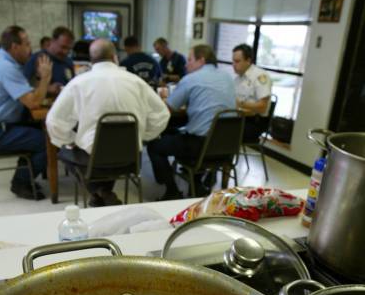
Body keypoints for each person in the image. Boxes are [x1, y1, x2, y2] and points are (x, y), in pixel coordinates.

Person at [46, 39, 170, 207]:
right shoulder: (136, 82)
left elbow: (53, 122)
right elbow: (162, 114)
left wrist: (72, 140)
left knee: (65, 151)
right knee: (107, 157)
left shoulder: (78, 83)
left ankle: (99, 192)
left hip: (93, 160)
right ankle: (103, 193)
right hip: (131, 158)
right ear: (115, 57)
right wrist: (143, 137)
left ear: (91, 60)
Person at [147, 44, 236, 201]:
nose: (186, 64)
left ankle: (172, 191)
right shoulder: (228, 77)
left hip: (199, 145)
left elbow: (168, 107)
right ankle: (198, 184)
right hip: (227, 146)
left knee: (154, 146)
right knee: (182, 132)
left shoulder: (191, 79)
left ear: (201, 60)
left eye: (190, 60)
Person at [0, 25, 52, 200]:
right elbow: (33, 103)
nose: (30, 49)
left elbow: (25, 94)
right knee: (46, 141)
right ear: (15, 47)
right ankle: (21, 183)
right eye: (27, 44)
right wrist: (45, 78)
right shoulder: (5, 67)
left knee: (40, 132)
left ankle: (26, 175)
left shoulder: (2, 60)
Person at [232, 43, 272, 142]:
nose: (233, 64)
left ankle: (224, 156)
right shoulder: (238, 78)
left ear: (248, 60)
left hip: (254, 122)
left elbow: (263, 107)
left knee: (221, 131)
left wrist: (240, 104)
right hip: (241, 118)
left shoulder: (260, 76)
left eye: (237, 61)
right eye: (233, 61)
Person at [24, 26, 74, 96]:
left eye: (69, 49)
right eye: (63, 47)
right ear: (52, 41)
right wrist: (47, 89)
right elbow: (24, 88)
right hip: (42, 105)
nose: (66, 52)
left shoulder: (68, 62)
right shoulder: (36, 59)